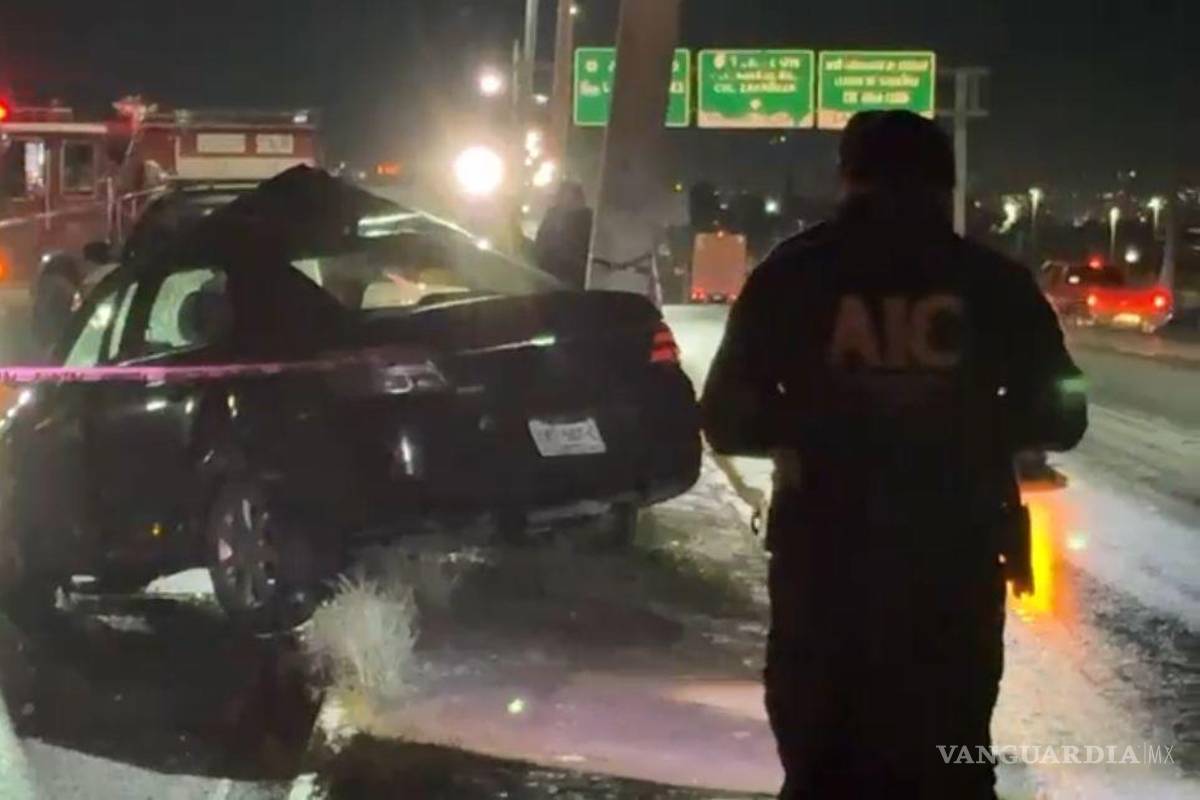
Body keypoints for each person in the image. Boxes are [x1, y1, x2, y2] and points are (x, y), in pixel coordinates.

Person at [701, 110, 1088, 799]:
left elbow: (726, 419)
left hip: (824, 569)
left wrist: (823, 424)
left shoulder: (793, 275)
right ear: (945, 186)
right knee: (951, 765)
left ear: (848, 179)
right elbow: (1063, 414)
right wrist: (968, 425)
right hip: (954, 570)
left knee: (823, 767)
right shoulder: (992, 282)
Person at [534, 181, 593, 289]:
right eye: (561, 196)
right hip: (551, 278)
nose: (563, 200)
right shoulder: (552, 216)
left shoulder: (587, 220)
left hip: (571, 282)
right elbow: (541, 246)